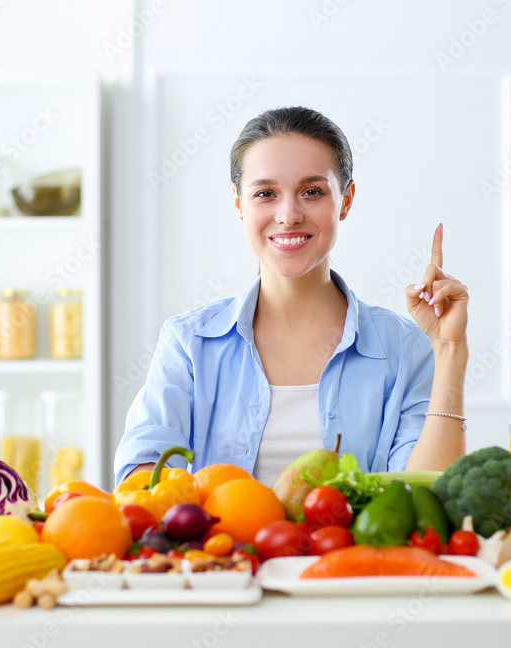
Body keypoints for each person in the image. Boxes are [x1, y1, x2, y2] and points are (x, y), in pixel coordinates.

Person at [114, 106, 469, 486]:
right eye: (265, 193)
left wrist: (450, 349)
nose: (288, 215)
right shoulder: (189, 343)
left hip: (352, 549)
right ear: (239, 204)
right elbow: (141, 478)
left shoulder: (404, 348)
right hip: (223, 547)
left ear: (346, 200)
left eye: (312, 192)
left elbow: (427, 493)